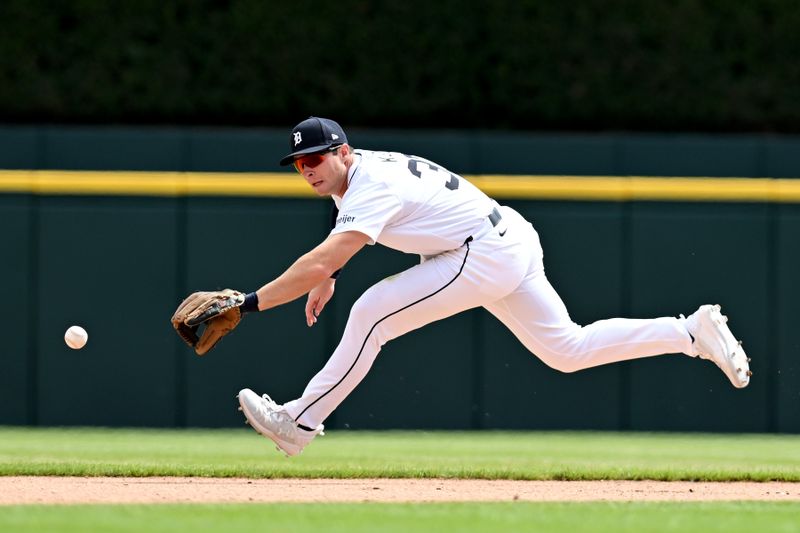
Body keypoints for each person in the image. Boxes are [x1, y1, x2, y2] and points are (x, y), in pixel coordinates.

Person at [215, 117, 753, 456]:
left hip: (483, 250)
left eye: (315, 158)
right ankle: (690, 333)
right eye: (299, 163)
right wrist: (326, 273)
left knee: (371, 313)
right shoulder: (355, 178)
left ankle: (300, 421)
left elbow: (328, 254)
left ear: (344, 152)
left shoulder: (369, 182)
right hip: (505, 237)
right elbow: (338, 248)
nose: (307, 169)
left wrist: (251, 302)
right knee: (567, 349)